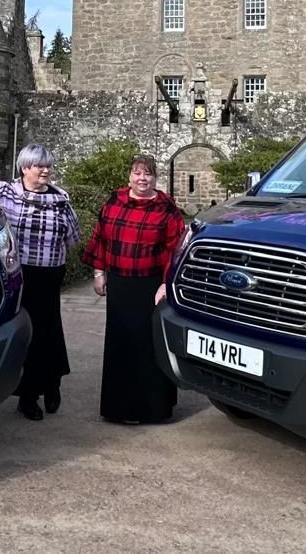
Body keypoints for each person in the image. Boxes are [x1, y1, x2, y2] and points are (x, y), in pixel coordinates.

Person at [0, 145, 79, 421]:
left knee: (49, 332)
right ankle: (28, 396)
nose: (46, 171)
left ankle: (52, 383)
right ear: (25, 168)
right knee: (25, 333)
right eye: (39, 166)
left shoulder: (61, 199)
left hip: (49, 273)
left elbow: (73, 237)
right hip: (18, 274)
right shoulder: (5, 192)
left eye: (48, 166)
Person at [81, 154, 186, 425]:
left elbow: (175, 250)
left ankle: (153, 409)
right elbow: (101, 238)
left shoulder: (166, 208)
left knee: (149, 344)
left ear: (155, 178)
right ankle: (119, 409)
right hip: (120, 284)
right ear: (129, 176)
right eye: (138, 173)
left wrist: (166, 284)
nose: (142, 178)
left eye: (148, 174)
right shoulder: (114, 202)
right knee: (121, 344)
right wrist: (99, 272)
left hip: (151, 286)